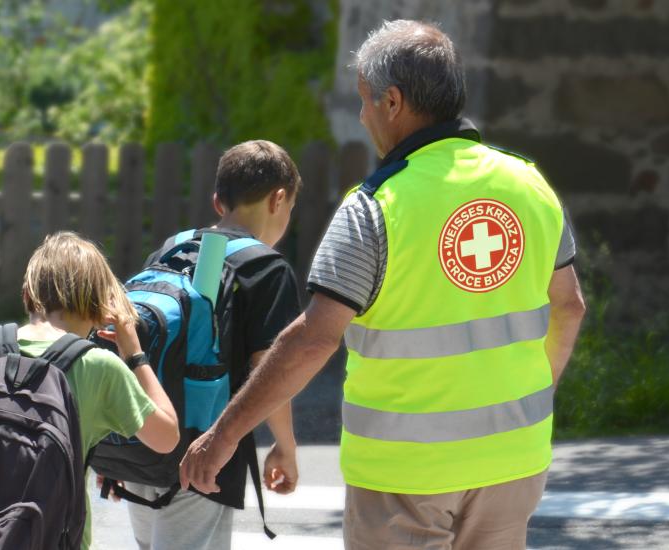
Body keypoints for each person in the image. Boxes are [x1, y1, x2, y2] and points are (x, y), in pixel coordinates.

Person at [178, 20, 586, 550]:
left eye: (365, 100)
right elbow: (569, 307)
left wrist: (223, 436)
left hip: (404, 473)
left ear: (393, 102)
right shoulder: (528, 183)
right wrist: (527, 401)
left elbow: (314, 340)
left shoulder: (374, 207)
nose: (363, 114)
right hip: (514, 460)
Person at [0, 232, 181, 549]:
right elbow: (167, 437)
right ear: (101, 306)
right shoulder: (99, 367)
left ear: (27, 294)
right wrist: (134, 355)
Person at [118, 140, 305, 550]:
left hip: (144, 441)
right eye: (290, 208)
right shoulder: (266, 268)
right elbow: (270, 367)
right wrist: (285, 446)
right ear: (278, 199)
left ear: (218, 201)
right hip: (202, 452)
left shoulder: (172, 248)